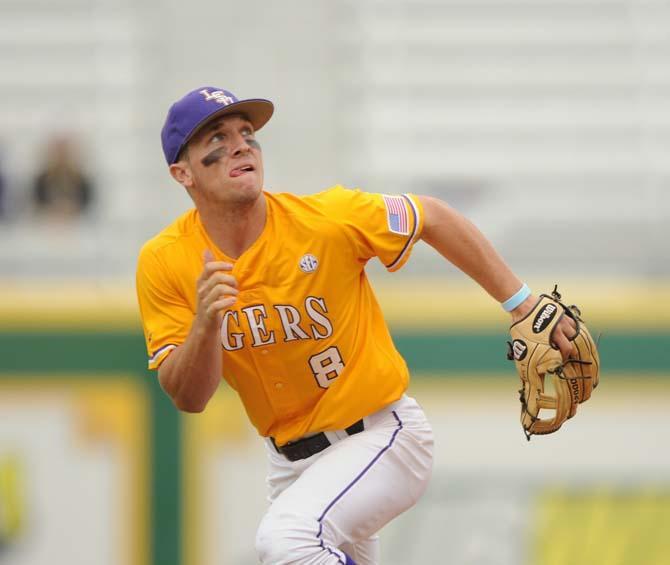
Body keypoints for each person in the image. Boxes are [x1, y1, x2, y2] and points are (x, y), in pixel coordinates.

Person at [136, 87, 577, 564]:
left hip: (381, 436)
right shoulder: (166, 261)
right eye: (217, 139)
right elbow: (189, 397)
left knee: (286, 541)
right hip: (289, 464)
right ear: (182, 173)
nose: (242, 145)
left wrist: (522, 303)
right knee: (292, 544)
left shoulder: (325, 220)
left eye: (247, 133)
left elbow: (431, 216)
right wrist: (204, 326)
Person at [32, 134, 94, 221]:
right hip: (49, 223)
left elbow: (86, 204)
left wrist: (71, 210)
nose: (62, 156)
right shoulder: (42, 179)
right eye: (58, 152)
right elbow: (39, 202)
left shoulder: (81, 179)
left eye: (65, 152)